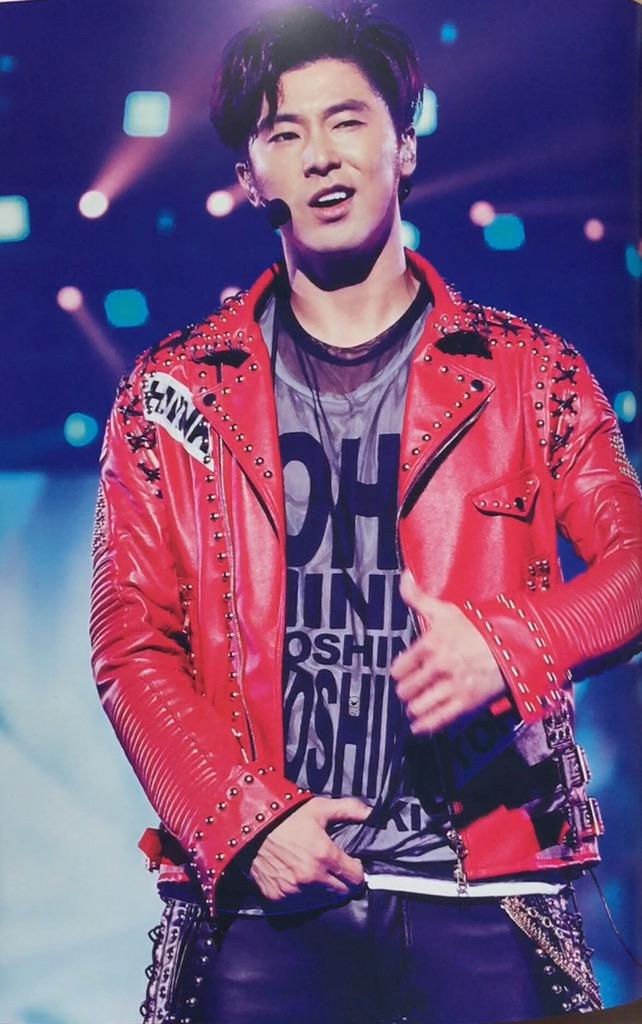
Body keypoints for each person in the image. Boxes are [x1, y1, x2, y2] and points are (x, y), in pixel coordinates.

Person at [89, 4, 642, 1022]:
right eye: (284, 132)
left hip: (485, 893)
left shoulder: (532, 374)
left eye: (347, 120)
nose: (320, 155)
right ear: (251, 176)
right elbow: (130, 642)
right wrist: (242, 821)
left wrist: (509, 644)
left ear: (404, 144)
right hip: (265, 897)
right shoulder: (171, 394)